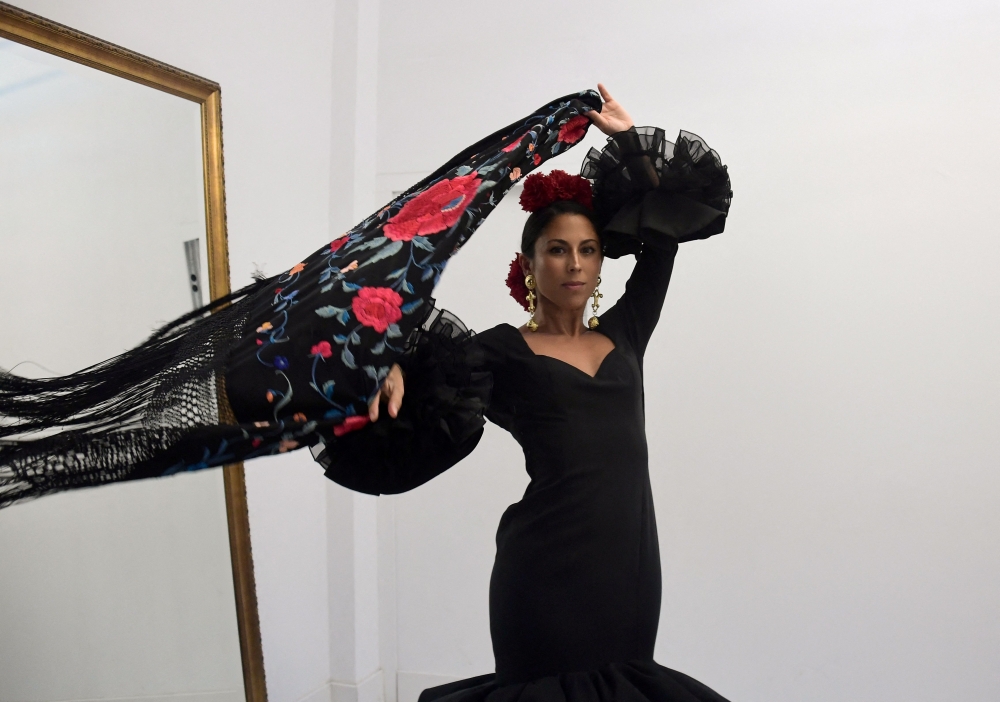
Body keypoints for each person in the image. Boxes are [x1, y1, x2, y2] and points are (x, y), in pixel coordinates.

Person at [0, 82, 732, 699]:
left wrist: (631, 142)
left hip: (633, 573)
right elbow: (428, 368)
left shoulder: (629, 332)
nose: (574, 263)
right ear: (530, 264)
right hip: (546, 577)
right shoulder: (500, 352)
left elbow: (664, 235)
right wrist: (392, 364)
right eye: (556, 250)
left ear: (602, 262)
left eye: (587, 249)